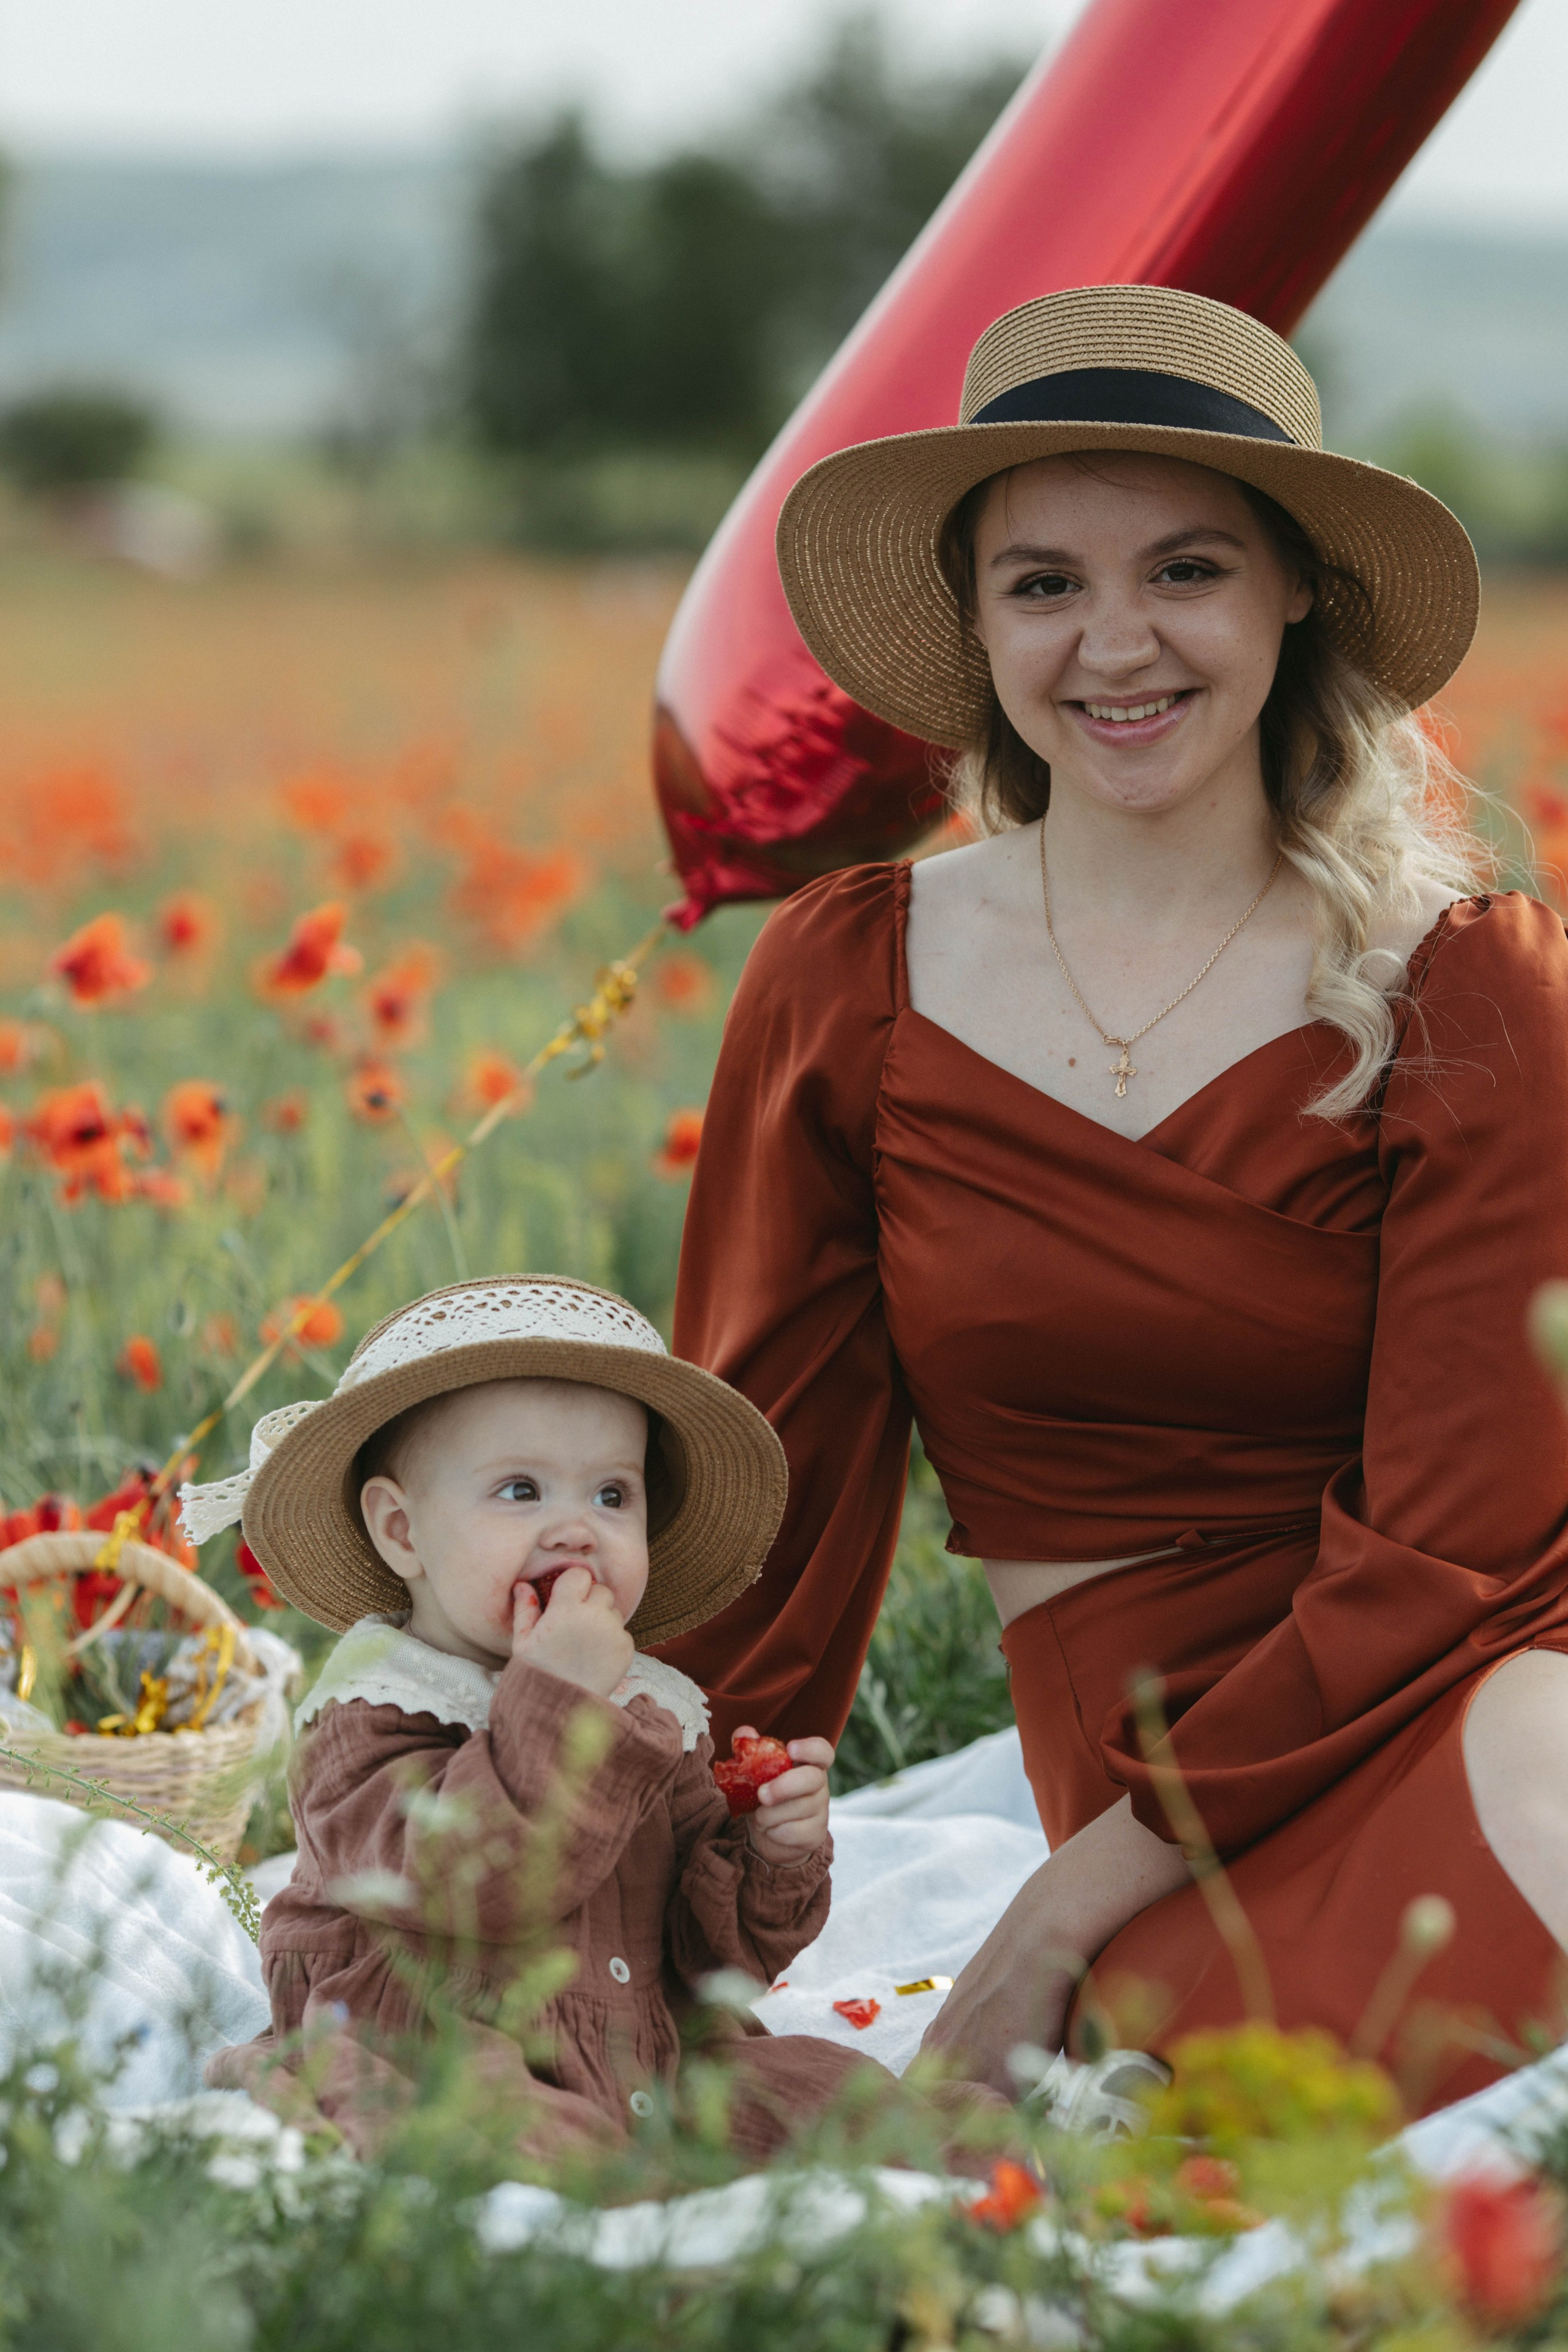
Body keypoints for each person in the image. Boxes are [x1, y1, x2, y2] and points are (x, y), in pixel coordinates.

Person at [657, 283, 1568, 2114]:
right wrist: (646, 1876)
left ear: (1296, 587)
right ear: (980, 622)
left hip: (1459, 1690)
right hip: (1134, 1750)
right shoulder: (852, 983)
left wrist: (1059, 1910)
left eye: (1188, 568)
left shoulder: (1471, 992)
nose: (1115, 643)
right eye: (1045, 584)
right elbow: (770, 1508)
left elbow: (1469, 1546)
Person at [189, 1274, 888, 2162]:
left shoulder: (650, 1708)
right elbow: (481, 1886)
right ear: (402, 1531)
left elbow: (713, 1973)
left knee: (841, 2100)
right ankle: (621, 2253)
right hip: (440, 2036)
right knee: (503, 2135)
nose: (576, 1530)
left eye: (611, 1495)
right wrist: (559, 1700)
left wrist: (769, 1858)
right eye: (521, 1491)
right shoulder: (370, 1710)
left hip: (644, 2053)